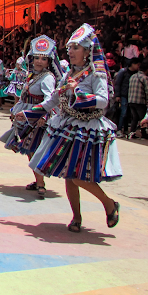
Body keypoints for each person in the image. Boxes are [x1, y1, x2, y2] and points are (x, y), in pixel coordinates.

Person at [16, 24, 122, 233]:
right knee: (69, 175)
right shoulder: (69, 74)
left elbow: (103, 101)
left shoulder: (95, 73)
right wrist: (29, 113)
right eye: (70, 48)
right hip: (68, 126)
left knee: (78, 176)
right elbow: (55, 98)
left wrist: (78, 94)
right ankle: (76, 217)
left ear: (87, 51)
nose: (70, 52)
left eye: (75, 48)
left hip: (88, 130)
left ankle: (109, 204)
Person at [0, 35, 63, 197]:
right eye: (36, 58)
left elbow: (50, 99)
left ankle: (41, 183)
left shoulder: (48, 77)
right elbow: (24, 97)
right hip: (27, 118)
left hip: (39, 120)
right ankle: (38, 180)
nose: (39, 61)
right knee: (30, 150)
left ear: (49, 61)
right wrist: (15, 111)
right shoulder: (32, 75)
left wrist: (43, 116)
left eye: (43, 59)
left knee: (35, 150)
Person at [114, 57, 141, 137]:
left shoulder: (136, 73)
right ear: (133, 64)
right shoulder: (123, 71)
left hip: (131, 96)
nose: (138, 66)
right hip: (123, 95)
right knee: (123, 113)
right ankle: (119, 129)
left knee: (129, 114)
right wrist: (118, 95)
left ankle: (125, 130)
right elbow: (117, 84)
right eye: (137, 64)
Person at [127, 60, 148, 139]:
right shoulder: (144, 78)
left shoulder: (133, 76)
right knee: (143, 118)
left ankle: (132, 133)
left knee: (134, 118)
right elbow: (147, 90)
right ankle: (144, 134)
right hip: (140, 101)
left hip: (131, 100)